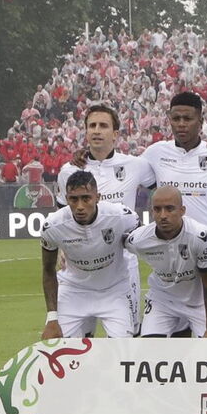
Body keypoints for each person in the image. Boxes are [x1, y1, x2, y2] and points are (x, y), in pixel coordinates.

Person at [141, 92, 207, 331]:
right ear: (169, 119)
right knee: (176, 324)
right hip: (172, 250)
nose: (181, 124)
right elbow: (129, 173)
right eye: (176, 118)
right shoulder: (155, 153)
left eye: (188, 118)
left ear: (201, 120)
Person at [60, 105, 155, 318]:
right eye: (91, 126)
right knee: (79, 342)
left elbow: (161, 189)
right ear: (85, 132)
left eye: (103, 126)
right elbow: (62, 214)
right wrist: (61, 249)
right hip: (81, 267)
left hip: (123, 263)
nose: (96, 130)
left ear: (115, 134)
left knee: (126, 338)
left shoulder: (136, 165)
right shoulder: (69, 171)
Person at [39, 170, 141, 339]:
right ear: (66, 199)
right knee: (55, 346)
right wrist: (52, 318)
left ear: (97, 197)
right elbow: (48, 270)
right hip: (74, 290)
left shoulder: (119, 215)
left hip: (114, 290)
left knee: (123, 348)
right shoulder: (53, 226)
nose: (80, 206)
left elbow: (142, 235)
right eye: (73, 199)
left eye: (86, 198)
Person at [124, 186, 207, 337]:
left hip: (198, 302)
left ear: (182, 210)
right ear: (152, 212)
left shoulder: (200, 236)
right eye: (157, 209)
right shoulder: (139, 240)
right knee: (149, 351)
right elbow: (118, 242)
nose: (163, 215)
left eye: (169, 209)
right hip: (163, 301)